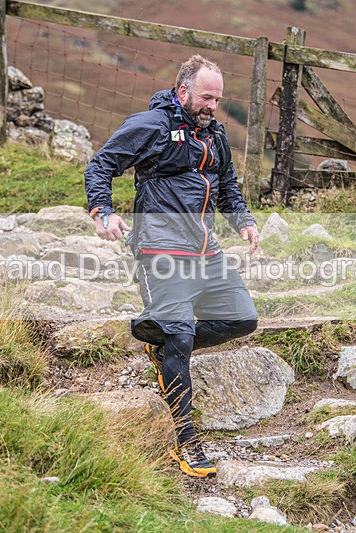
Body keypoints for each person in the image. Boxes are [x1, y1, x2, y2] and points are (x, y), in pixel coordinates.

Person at [84, 55, 260, 478]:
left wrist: (244, 221)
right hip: (160, 251)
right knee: (181, 333)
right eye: (205, 97)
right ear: (183, 91)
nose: (212, 106)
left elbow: (228, 187)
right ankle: (185, 440)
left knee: (243, 319)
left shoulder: (215, 135)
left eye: (217, 99)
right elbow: (101, 165)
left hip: (206, 251)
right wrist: (102, 212)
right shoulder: (151, 126)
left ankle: (163, 342)